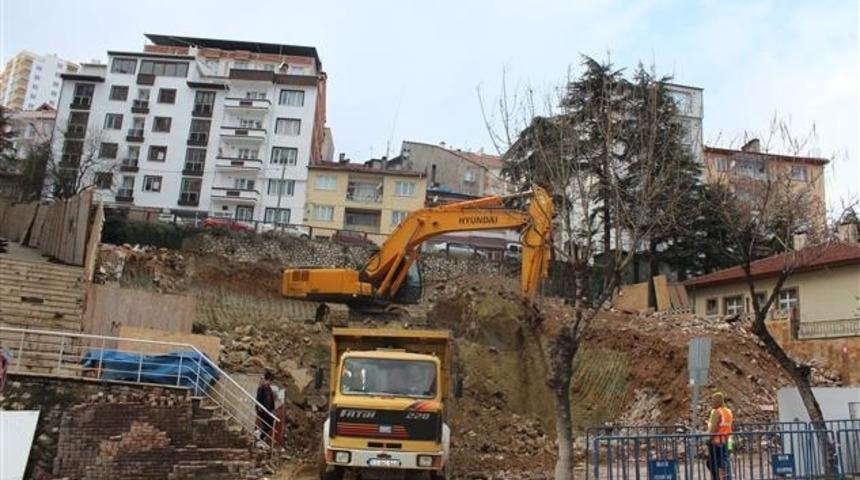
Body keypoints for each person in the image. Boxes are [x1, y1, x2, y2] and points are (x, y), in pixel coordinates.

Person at [707, 391, 734, 480]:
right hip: (727, 440)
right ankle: (726, 477)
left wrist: (708, 439)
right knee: (725, 462)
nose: (712, 403)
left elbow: (713, 429)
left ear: (717, 401)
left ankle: (717, 478)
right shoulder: (728, 411)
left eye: (713, 400)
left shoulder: (717, 412)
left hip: (717, 442)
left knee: (713, 463)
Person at [256, 370, 276, 444]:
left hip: (269, 409)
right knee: (268, 424)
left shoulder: (268, 388)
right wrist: (259, 407)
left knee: (269, 424)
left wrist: (272, 408)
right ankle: (260, 435)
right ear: (268, 380)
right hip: (263, 409)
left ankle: (261, 436)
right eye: (270, 381)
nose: (270, 383)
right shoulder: (262, 388)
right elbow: (258, 398)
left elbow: (271, 399)